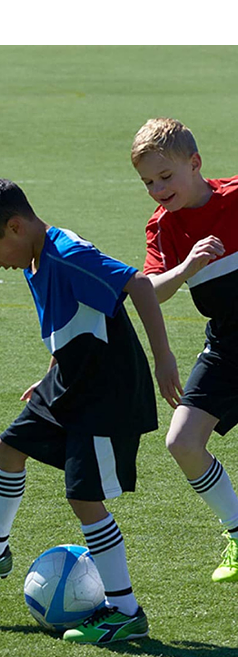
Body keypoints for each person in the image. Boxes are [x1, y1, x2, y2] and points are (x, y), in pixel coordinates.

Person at [0, 178, 181, 644]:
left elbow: (141, 286)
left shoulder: (68, 255)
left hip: (106, 394)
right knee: (8, 447)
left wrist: (164, 358)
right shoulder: (33, 257)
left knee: (84, 498)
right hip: (68, 381)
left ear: (14, 226)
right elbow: (69, 318)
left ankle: (126, 612)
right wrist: (50, 370)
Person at [131, 117, 238, 582]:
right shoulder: (164, 228)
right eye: (148, 182)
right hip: (228, 345)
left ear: (195, 164)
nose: (157, 188)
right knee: (182, 441)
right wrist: (189, 265)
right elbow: (150, 290)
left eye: (165, 176)